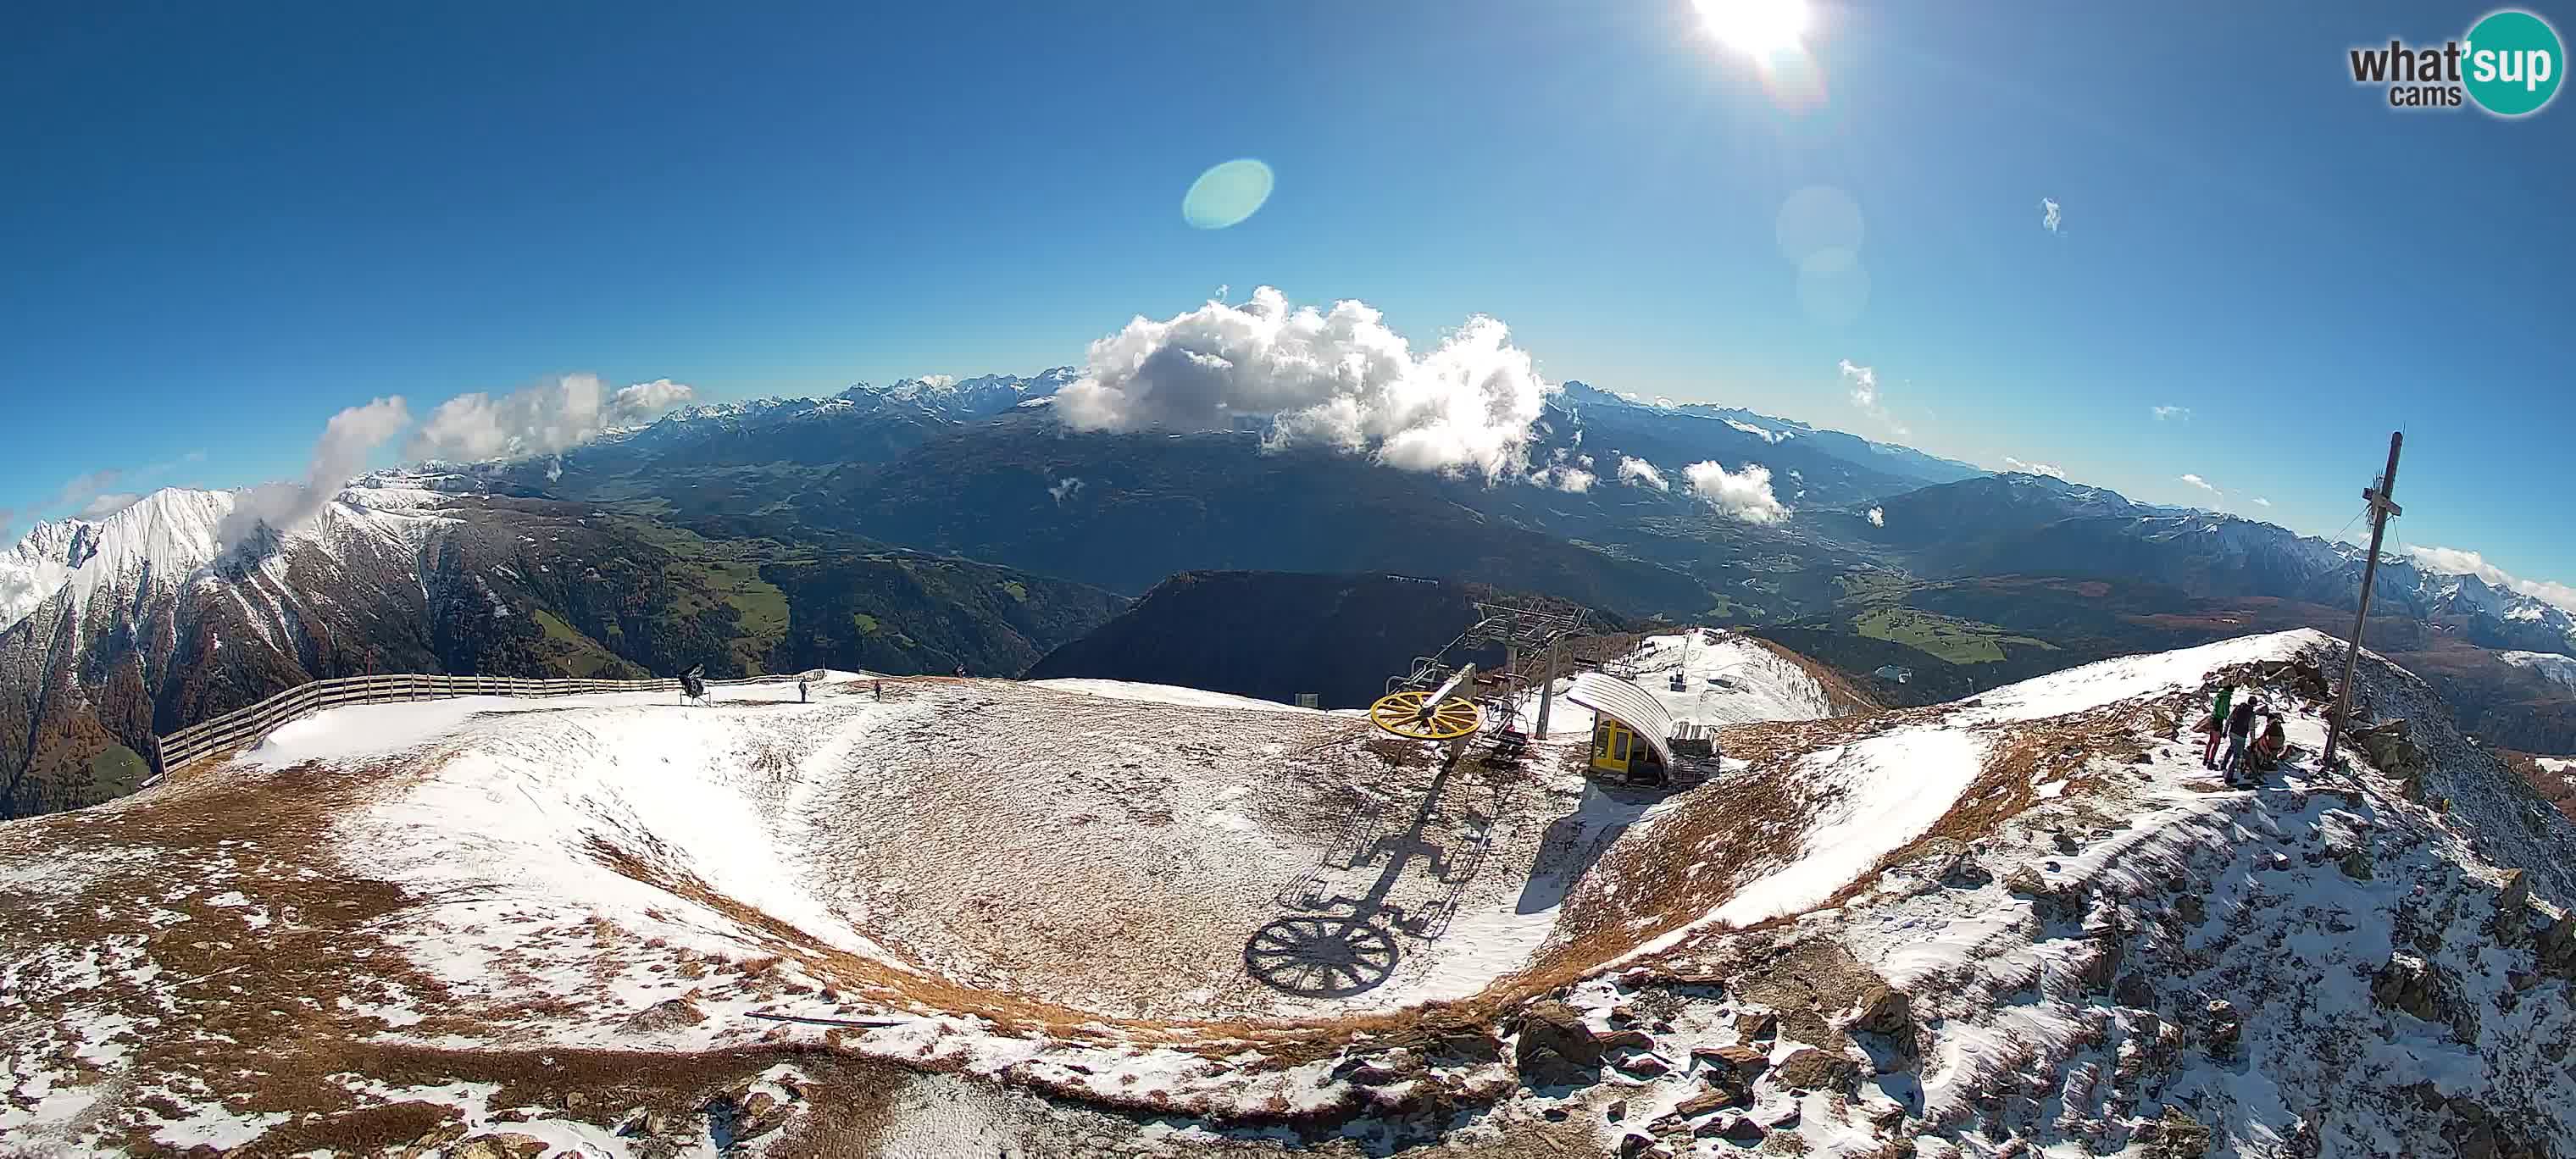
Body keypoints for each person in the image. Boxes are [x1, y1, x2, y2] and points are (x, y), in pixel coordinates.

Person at [2220, 696, 2260, 782]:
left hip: (2232, 732)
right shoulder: (2251, 714)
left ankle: (2223, 765)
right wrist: (2253, 741)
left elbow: (2229, 719)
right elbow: (2252, 729)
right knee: (2237, 756)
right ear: (2254, 704)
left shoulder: (2238, 708)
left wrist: (2225, 731)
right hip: (2241, 736)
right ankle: (2229, 777)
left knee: (2232, 747)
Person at [2204, 685, 2235, 769]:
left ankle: (2206, 758)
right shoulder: (2226, 698)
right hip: (2218, 721)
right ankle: (2211, 762)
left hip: (2213, 718)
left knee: (2211, 741)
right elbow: (2225, 710)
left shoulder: (2219, 695)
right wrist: (2227, 717)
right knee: (2216, 743)